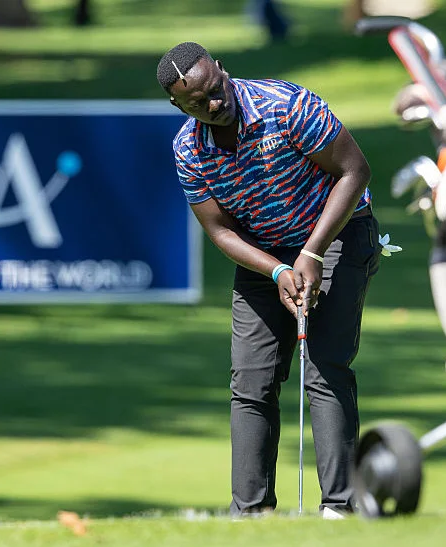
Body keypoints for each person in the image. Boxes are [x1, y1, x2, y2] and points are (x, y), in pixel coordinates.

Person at [155, 41, 389, 518]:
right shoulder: (188, 149)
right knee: (252, 381)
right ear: (178, 105)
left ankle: (339, 509)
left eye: (215, 90)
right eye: (197, 103)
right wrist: (279, 268)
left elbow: (354, 171)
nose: (214, 105)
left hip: (337, 230)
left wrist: (310, 252)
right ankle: (251, 514)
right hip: (265, 255)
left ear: (221, 70)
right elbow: (219, 230)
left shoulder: (287, 106)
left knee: (324, 365)